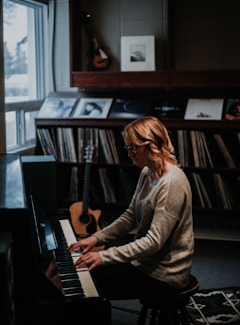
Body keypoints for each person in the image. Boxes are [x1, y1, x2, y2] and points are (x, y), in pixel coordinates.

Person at [67, 116, 194, 300]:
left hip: (166, 273)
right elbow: (130, 216)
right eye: (128, 147)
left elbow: (153, 241)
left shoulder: (171, 183)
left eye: (134, 147)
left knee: (90, 281)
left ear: (151, 144)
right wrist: (96, 238)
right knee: (87, 272)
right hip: (145, 263)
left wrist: (103, 256)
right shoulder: (147, 172)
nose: (129, 154)